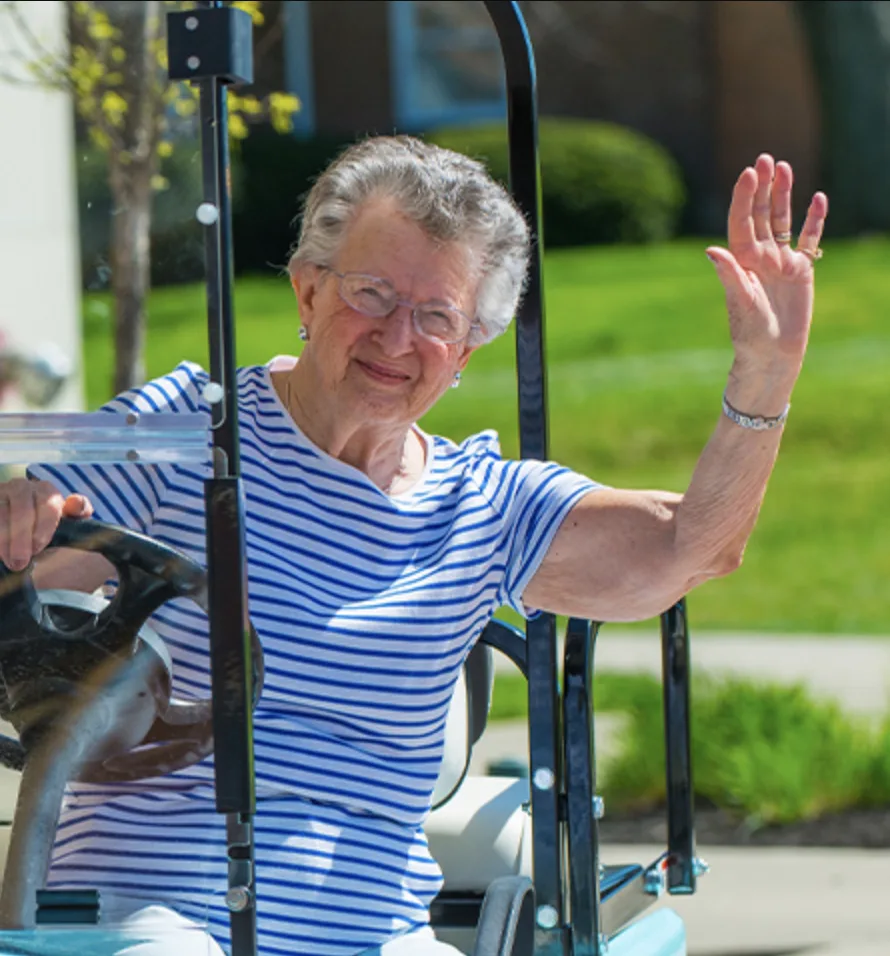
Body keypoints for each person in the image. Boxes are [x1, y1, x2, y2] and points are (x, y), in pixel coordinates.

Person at [0, 136, 827, 955]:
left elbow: (691, 549)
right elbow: (29, 526)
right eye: (372, 294)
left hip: (376, 933)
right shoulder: (181, 421)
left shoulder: (485, 501)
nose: (398, 339)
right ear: (307, 291)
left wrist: (766, 373)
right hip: (152, 919)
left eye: (435, 316)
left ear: (467, 350)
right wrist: (21, 507)